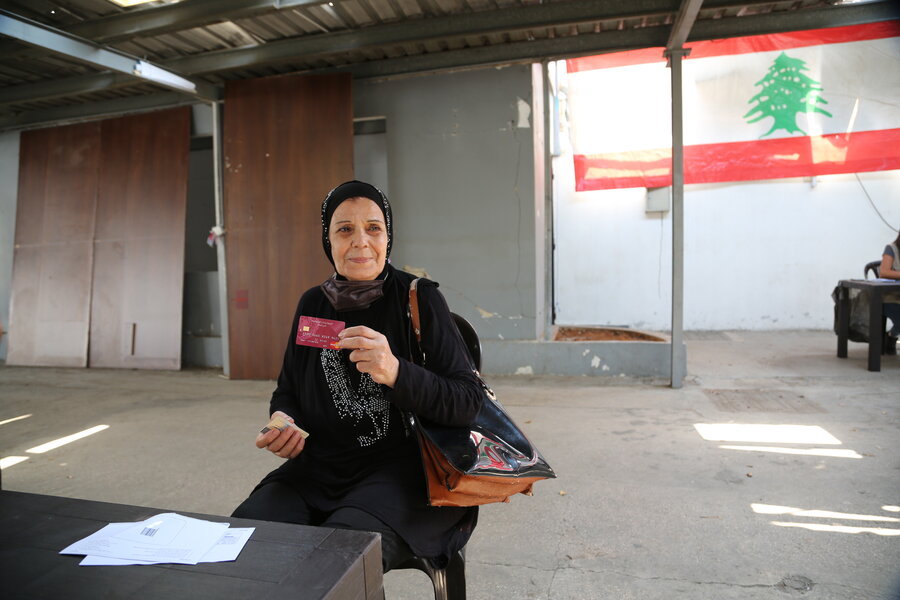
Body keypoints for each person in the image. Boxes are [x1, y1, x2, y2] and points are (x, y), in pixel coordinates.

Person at [232, 180, 483, 572]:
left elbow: (467, 401)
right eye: (345, 229)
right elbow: (288, 391)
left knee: (338, 562)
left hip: (406, 475)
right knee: (244, 543)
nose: (360, 241)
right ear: (327, 240)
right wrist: (284, 422)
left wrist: (397, 371)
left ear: (388, 236)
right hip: (317, 471)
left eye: (373, 228)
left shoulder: (419, 299)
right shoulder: (313, 304)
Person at [880, 231, 900, 342]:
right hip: (890, 297)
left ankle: (890, 338)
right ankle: (890, 338)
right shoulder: (891, 248)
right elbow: (883, 272)